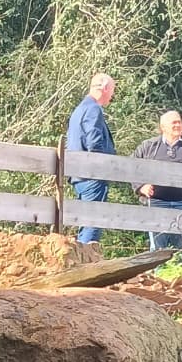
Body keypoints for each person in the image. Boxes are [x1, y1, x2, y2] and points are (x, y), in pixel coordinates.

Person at [130, 110, 182, 258]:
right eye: (173, 123)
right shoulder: (148, 146)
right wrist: (141, 186)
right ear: (163, 127)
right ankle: (157, 276)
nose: (178, 125)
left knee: (181, 246)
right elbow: (131, 167)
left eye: (179, 122)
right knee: (157, 246)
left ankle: (180, 275)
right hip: (156, 202)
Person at [66, 72, 117, 245]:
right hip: (92, 175)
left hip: (79, 175)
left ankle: (82, 259)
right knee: (93, 221)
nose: (112, 95)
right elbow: (94, 142)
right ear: (105, 89)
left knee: (86, 220)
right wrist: (102, 166)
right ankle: (86, 264)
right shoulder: (93, 109)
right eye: (112, 90)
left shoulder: (81, 109)